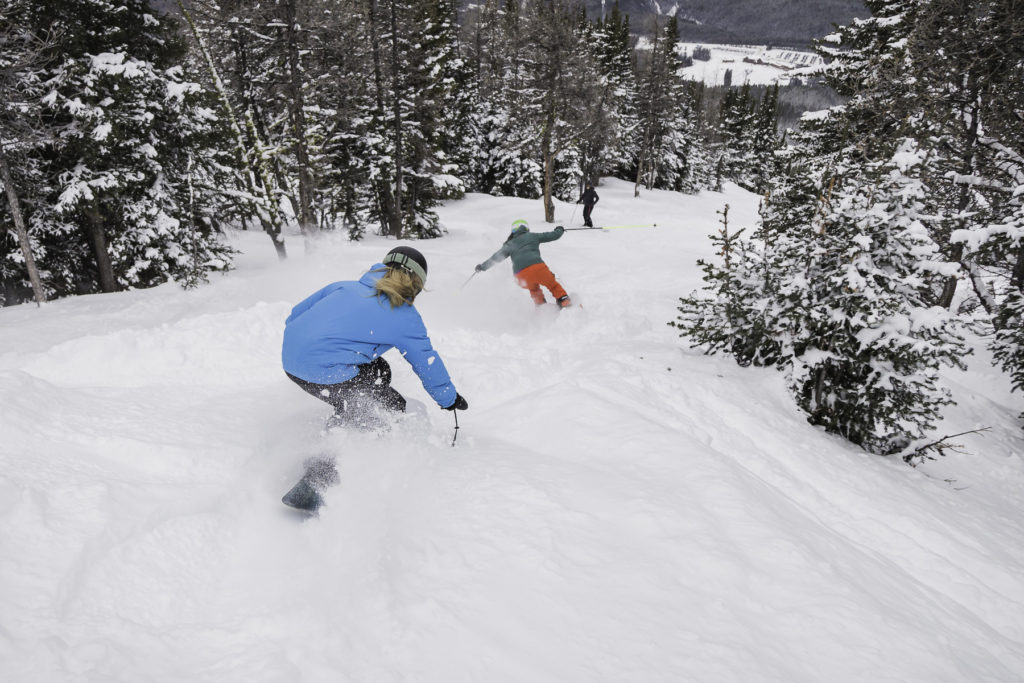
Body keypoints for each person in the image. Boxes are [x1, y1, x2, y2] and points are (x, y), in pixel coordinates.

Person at [282, 245, 468, 427]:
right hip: (325, 372)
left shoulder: (342, 287)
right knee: (393, 407)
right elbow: (426, 362)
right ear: (417, 285)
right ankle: (335, 445)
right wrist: (449, 399)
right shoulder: (405, 316)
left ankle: (349, 413)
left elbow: (294, 316)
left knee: (379, 370)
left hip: (291, 363)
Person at [475, 219, 572, 308]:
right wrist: (560, 229)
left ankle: (541, 307)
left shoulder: (509, 244)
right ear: (526, 228)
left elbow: (496, 257)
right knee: (552, 284)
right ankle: (564, 301)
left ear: (513, 231)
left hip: (520, 276)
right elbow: (553, 235)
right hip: (538, 268)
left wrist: (482, 267)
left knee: (534, 289)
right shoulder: (532, 236)